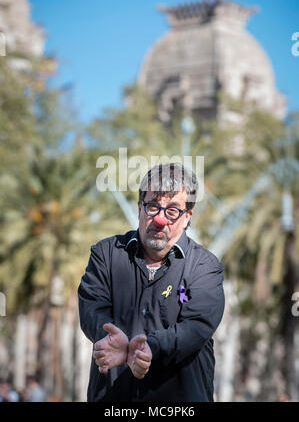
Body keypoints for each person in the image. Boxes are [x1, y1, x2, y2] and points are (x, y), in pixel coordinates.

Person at [78, 163, 225, 402]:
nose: (159, 219)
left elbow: (196, 326)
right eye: (152, 206)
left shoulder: (205, 267)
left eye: (172, 211)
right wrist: (106, 335)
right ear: (139, 207)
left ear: (188, 216)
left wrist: (150, 347)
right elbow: (91, 308)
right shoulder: (105, 254)